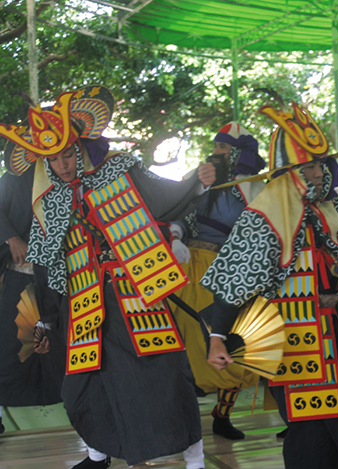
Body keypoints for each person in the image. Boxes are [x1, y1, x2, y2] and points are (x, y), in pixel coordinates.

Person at [201, 101, 338, 469]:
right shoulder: (263, 219)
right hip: (293, 346)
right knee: (312, 435)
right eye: (310, 166)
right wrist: (216, 338)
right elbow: (233, 281)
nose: (320, 173)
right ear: (289, 173)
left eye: (321, 164)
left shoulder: (329, 209)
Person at [1, 85, 214, 469]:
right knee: (82, 384)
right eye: (54, 159)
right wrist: (47, 318)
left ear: (80, 145)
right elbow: (48, 264)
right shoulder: (47, 200)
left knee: (165, 375)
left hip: (135, 292)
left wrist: (196, 181)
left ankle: (195, 458)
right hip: (82, 301)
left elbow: (166, 198)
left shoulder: (119, 168)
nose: (64, 166)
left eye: (67, 154)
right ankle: (97, 454)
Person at [169, 121, 266, 441]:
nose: (216, 152)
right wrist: (176, 235)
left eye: (223, 147)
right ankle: (182, 419)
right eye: (216, 146)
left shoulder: (257, 187)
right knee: (190, 341)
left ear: (238, 151)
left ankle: (222, 416)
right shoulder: (201, 179)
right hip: (194, 267)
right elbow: (179, 210)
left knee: (239, 345)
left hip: (235, 271)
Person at [0, 165, 65, 434]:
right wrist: (11, 237)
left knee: (59, 343)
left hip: (60, 279)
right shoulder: (15, 177)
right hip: (19, 275)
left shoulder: (68, 171)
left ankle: (88, 415)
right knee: (7, 344)